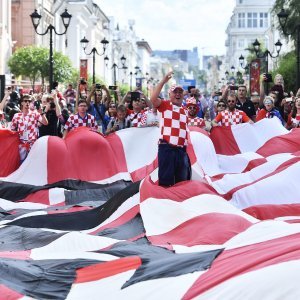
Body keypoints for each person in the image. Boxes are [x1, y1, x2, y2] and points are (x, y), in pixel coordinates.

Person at [150, 71, 191, 187]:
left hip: (181, 151)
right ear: (169, 95)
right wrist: (163, 81)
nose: (178, 94)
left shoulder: (185, 110)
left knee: (182, 183)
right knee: (165, 183)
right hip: (167, 149)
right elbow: (152, 99)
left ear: (183, 95)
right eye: (175, 92)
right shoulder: (165, 105)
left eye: (180, 92)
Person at [10, 94, 48, 162]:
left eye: (29, 101)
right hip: (21, 145)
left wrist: (42, 113)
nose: (27, 102)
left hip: (33, 145)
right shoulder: (16, 116)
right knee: (21, 166)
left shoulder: (35, 114)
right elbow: (12, 130)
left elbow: (45, 123)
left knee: (32, 166)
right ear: (22, 103)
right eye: (25, 101)